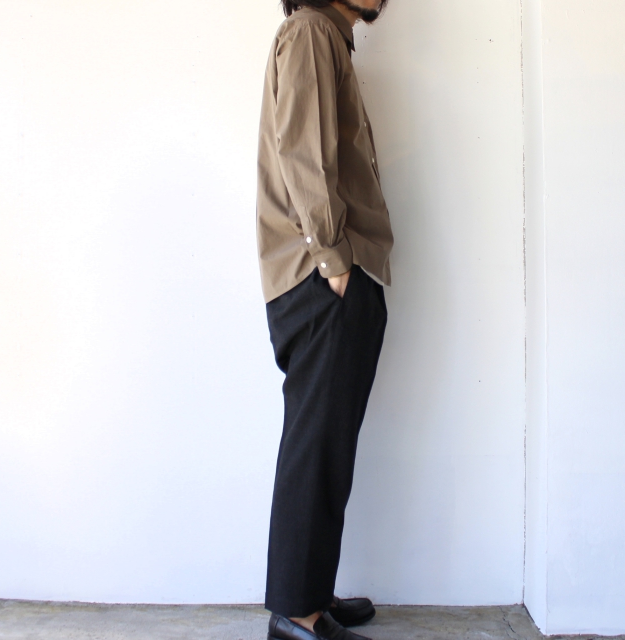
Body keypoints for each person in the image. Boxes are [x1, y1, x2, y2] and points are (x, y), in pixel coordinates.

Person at [256, 0, 394, 638]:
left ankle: (308, 591)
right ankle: (297, 614)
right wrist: (335, 261)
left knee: (324, 447)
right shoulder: (311, 30)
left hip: (325, 277)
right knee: (317, 449)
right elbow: (304, 155)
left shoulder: (326, 38)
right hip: (322, 279)